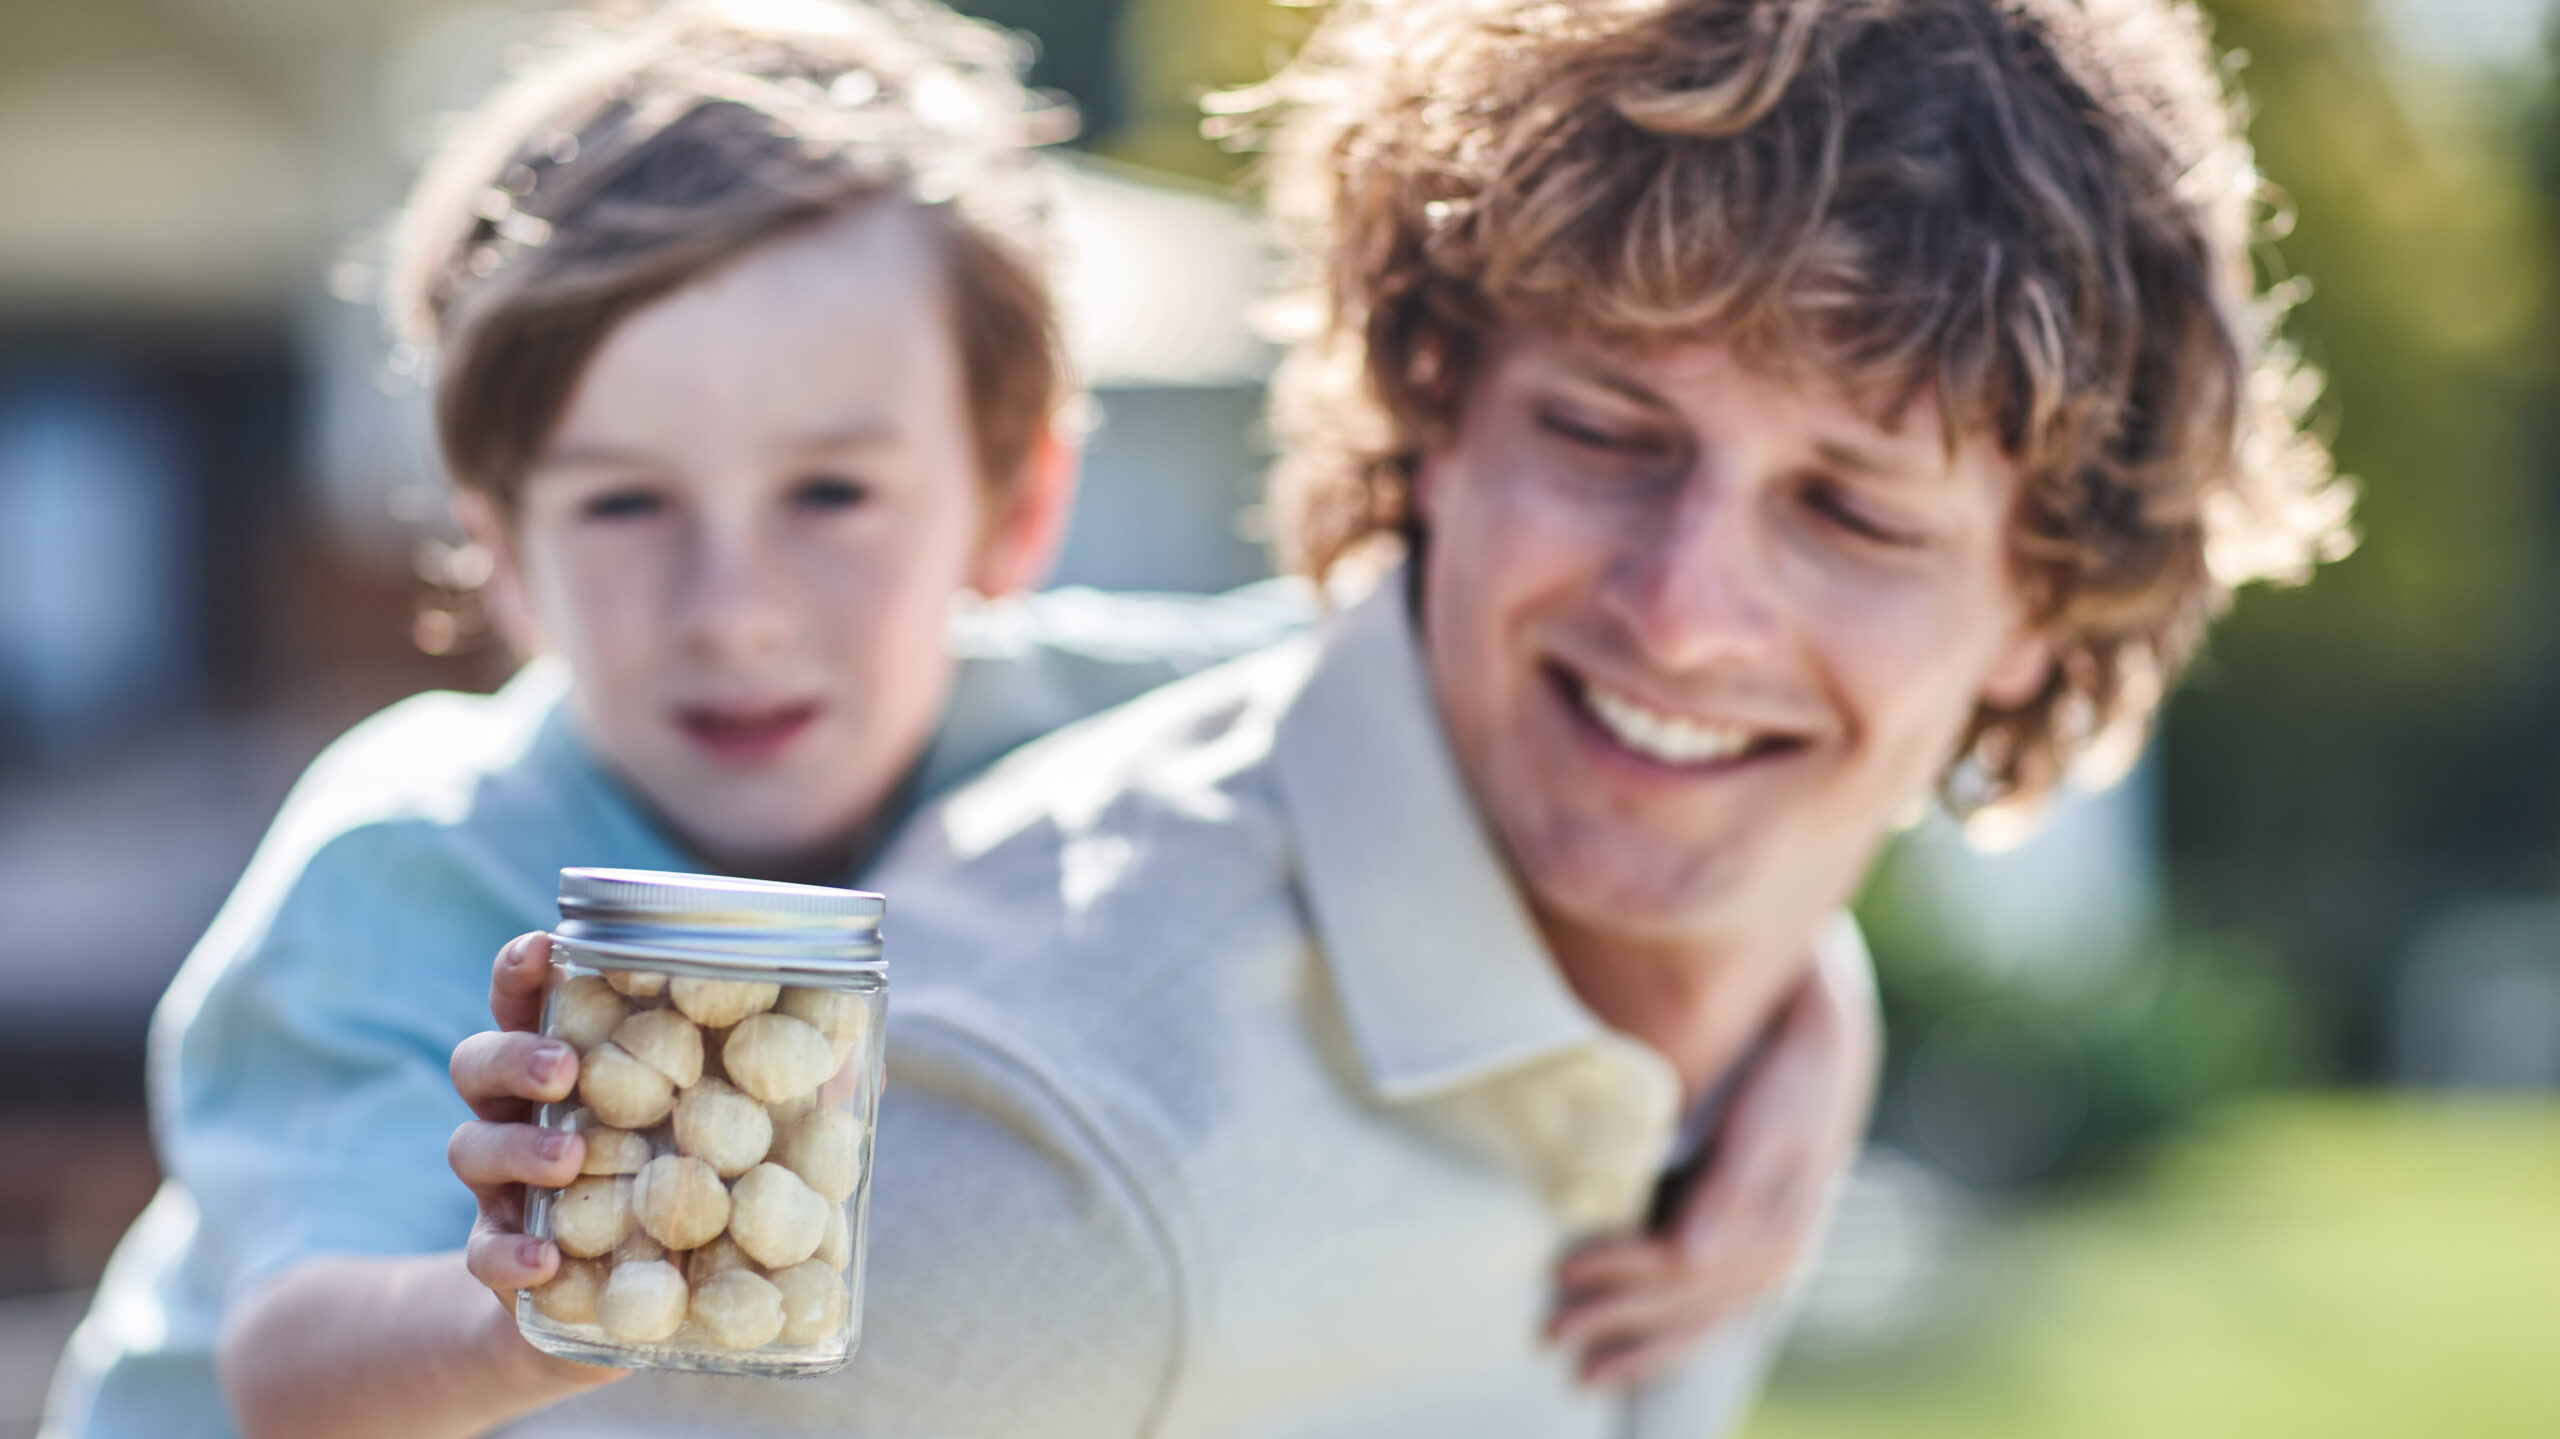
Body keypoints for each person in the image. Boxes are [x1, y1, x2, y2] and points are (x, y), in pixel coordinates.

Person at [433, 0, 2353, 1435]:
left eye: (1849, 511)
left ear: (2044, 598)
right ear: (1430, 415)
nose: (1683, 614)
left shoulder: (1725, 1019)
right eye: (1605, 436)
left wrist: (1804, 1003)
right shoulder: (1028, 1170)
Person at [41, 4, 1871, 1436]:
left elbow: (1524, 762)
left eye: (832, 496)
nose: (735, 603)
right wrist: (524, 1293)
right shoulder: (415, 863)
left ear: (1013, 510)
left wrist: (1810, 1010)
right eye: (623, 507)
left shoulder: (1105, 722)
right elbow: (281, 1377)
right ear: (498, 553)